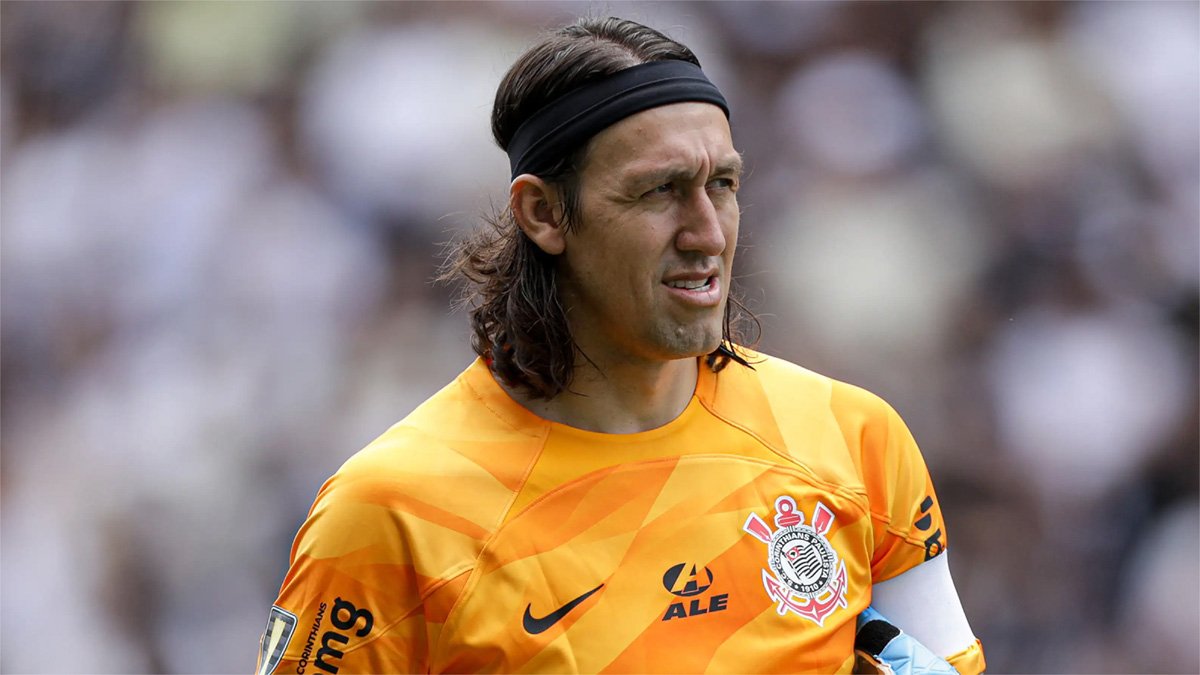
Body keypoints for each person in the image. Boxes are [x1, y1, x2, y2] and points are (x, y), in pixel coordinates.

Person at [256, 16, 985, 675]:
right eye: (660, 191)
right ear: (543, 213)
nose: (708, 233)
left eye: (722, 184)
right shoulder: (390, 513)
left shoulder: (856, 440)